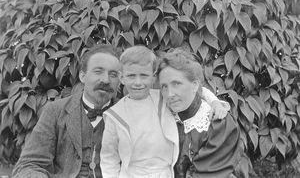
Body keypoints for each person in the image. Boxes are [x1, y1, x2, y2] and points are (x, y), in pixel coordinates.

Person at [100, 45, 230, 178]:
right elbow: (109, 158)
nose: (137, 82)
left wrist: (215, 102)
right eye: (131, 76)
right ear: (122, 78)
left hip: (165, 173)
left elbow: (197, 89)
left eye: (144, 75)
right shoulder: (115, 115)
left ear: (153, 76)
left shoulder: (161, 97)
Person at [12, 44, 121, 178]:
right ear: (82, 76)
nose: (106, 80)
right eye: (98, 71)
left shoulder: (129, 115)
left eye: (113, 74)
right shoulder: (55, 111)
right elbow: (30, 164)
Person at [157, 49, 240, 178]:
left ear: (195, 85)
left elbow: (208, 173)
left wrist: (215, 102)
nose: (170, 94)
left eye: (176, 84)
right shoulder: (161, 115)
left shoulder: (217, 124)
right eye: (164, 86)